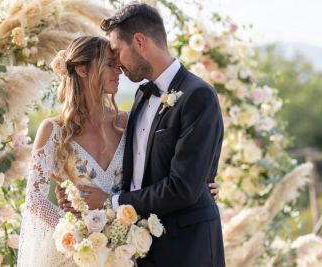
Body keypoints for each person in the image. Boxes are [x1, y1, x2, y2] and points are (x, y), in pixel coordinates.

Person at [18, 34, 219, 266]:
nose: (119, 71)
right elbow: (35, 199)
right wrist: (75, 231)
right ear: (82, 70)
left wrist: (201, 186)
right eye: (110, 65)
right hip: (77, 254)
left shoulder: (126, 122)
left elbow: (163, 168)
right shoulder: (53, 130)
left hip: (124, 253)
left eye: (118, 64)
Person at [76, 2, 225, 266]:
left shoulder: (198, 95)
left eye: (118, 52)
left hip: (188, 250)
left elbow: (183, 188)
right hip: (141, 251)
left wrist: (112, 202)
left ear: (140, 42)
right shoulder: (141, 96)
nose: (118, 65)